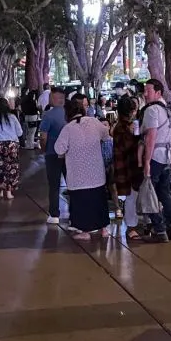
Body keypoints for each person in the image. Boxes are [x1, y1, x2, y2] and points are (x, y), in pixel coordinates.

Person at [54, 97, 111, 241]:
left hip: (78, 176)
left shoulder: (68, 128)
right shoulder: (94, 122)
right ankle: (104, 229)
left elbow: (58, 149)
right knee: (99, 201)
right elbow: (106, 135)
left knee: (82, 204)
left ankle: (85, 231)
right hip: (96, 173)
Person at [139, 79, 171, 243]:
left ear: (158, 92)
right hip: (169, 156)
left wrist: (147, 162)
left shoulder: (152, 111)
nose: (145, 94)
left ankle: (160, 229)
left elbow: (151, 137)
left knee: (148, 193)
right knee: (164, 191)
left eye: (148, 90)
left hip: (156, 157)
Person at [112, 95, 143, 238]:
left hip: (126, 166)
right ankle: (131, 227)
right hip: (130, 166)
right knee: (132, 196)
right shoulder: (124, 128)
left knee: (132, 196)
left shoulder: (120, 127)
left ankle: (133, 225)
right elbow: (128, 147)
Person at [39, 87, 69, 224]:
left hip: (52, 153)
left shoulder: (48, 116)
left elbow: (43, 137)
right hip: (69, 154)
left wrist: (44, 149)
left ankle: (54, 214)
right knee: (72, 184)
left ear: (54, 98)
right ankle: (75, 213)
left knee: (54, 185)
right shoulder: (69, 114)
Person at [0, 97, 23, 199]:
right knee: (12, 168)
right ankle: (9, 192)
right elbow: (20, 132)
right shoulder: (12, 117)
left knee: (0, 168)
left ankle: (0, 191)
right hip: (12, 145)